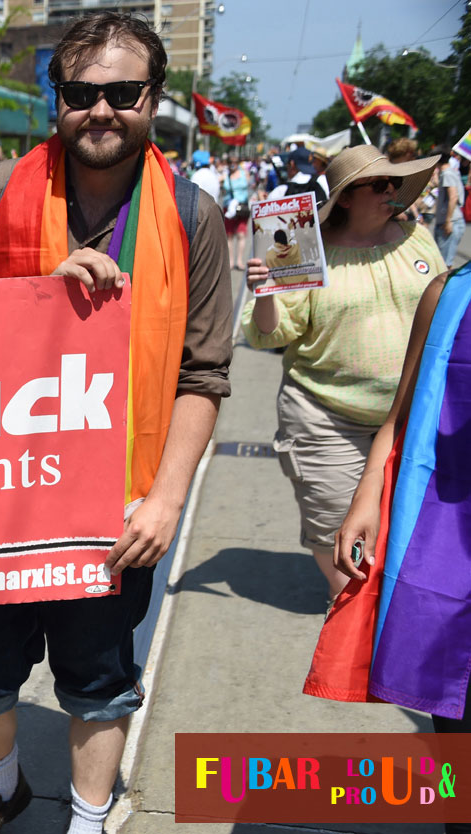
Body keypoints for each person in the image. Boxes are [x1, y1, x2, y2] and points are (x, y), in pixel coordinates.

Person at [0, 12, 232, 833]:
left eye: (121, 92)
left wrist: (164, 502)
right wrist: (32, 294)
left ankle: (89, 816)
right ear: (55, 99)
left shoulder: (194, 217)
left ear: (154, 99)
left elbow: (202, 375)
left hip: (117, 505)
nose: (99, 110)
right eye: (79, 93)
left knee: (97, 679)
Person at [303, 266, 471, 834]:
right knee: (450, 703)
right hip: (444, 533)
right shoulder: (450, 292)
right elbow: (400, 414)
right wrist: (367, 495)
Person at [242, 144, 442, 603]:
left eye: (395, 182)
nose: (392, 190)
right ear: (346, 197)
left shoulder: (418, 237)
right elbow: (271, 334)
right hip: (325, 420)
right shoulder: (303, 249)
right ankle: (363, 653)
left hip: (412, 417)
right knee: (345, 551)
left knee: (408, 538)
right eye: (379, 184)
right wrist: (267, 292)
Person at [432, 147, 465, 266]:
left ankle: (446, 285)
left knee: (444, 263)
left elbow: (453, 197)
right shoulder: (451, 172)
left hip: (450, 221)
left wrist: (448, 221)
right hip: (451, 220)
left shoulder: (447, 174)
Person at [222, 159, 251, 270]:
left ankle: (239, 261)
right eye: (230, 162)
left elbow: (249, 184)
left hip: (242, 207)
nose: (232, 164)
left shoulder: (244, 173)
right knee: (229, 235)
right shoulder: (225, 176)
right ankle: (231, 261)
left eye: (234, 162)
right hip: (229, 208)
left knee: (241, 234)